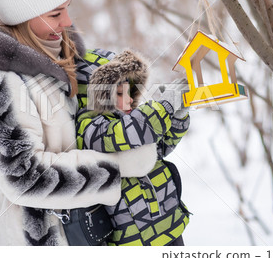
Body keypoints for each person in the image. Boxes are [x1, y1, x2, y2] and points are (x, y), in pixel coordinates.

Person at [0, 0, 169, 246]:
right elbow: (26, 176)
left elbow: (76, 130)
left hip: (82, 228)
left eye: (67, 8)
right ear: (24, 15)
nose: (66, 22)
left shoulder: (61, 56)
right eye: (55, 13)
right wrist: (119, 165)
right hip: (36, 237)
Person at [76, 50, 191, 246]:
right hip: (135, 242)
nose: (129, 100)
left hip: (171, 228)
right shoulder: (90, 129)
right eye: (120, 93)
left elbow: (159, 149)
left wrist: (178, 117)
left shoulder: (134, 119)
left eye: (130, 92)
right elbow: (127, 133)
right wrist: (164, 107)